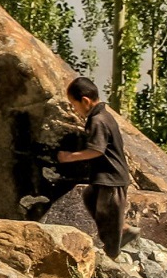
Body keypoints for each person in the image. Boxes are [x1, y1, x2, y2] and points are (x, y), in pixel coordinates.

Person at [55, 75, 131, 257]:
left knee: (108, 219)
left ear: (85, 101)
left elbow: (97, 150)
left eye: (74, 105)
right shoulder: (102, 115)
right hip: (105, 178)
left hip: (111, 179)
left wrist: (70, 157)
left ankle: (112, 259)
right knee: (90, 197)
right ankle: (124, 229)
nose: (75, 110)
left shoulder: (99, 120)